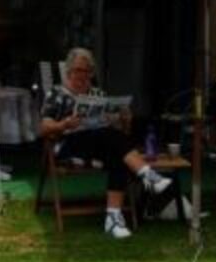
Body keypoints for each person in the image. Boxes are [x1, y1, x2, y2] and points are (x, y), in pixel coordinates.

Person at [39, 47, 171, 239]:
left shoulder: (97, 93)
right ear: (68, 70)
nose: (83, 75)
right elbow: (44, 128)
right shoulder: (56, 93)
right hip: (69, 144)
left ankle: (113, 219)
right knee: (110, 138)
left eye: (87, 71)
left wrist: (124, 120)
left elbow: (122, 132)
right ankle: (147, 175)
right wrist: (64, 124)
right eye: (78, 70)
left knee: (117, 153)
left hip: (99, 143)